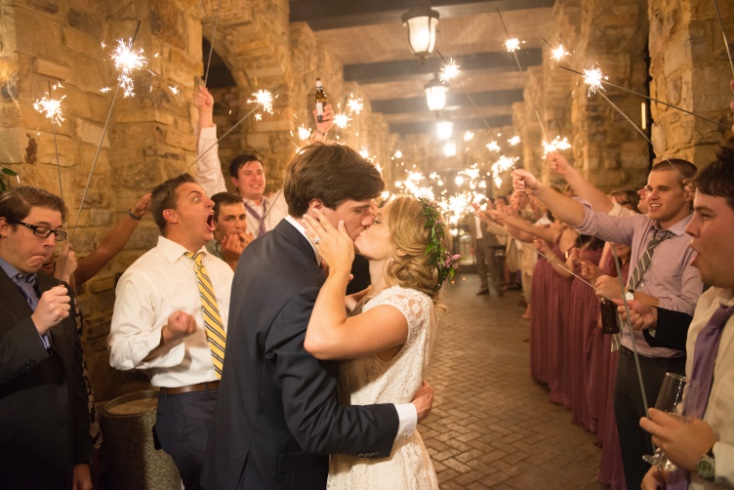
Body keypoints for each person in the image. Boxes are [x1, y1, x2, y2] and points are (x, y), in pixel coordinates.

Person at [202, 143, 434, 490]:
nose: (368, 217)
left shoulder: (263, 250)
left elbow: (274, 337)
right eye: (360, 208)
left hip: (239, 454)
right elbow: (316, 426)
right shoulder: (302, 292)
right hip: (275, 473)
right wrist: (408, 415)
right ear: (318, 208)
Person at [513, 158, 703, 489]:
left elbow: (690, 307)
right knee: (631, 451)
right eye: (649, 188)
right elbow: (587, 218)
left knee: (663, 463)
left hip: (666, 365)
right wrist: (540, 189)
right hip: (628, 356)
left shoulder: (693, 239)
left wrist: (627, 292)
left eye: (663, 188)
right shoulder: (643, 225)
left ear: (688, 193)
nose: (652, 196)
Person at [300, 195, 458, 488]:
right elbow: (314, 316)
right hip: (356, 453)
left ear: (400, 247)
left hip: (383, 468)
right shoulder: (377, 297)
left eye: (380, 219)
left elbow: (322, 339)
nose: (368, 220)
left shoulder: (407, 303)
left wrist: (338, 268)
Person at [618, 139, 734, 489]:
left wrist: (708, 460)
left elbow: (710, 453)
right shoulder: (711, 305)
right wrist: (668, 462)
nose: (692, 230)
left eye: (706, 215)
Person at [108, 174, 234, 489]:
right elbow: (120, 353)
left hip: (238, 394)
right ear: (171, 215)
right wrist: (165, 336)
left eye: (207, 197)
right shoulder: (143, 276)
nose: (210, 203)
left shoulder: (219, 268)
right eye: (196, 198)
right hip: (189, 406)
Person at [0, 186, 92, 489]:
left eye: (57, 233)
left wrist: (81, 457)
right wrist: (35, 326)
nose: (51, 242)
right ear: (4, 226)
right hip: (12, 462)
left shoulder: (53, 286)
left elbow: (73, 377)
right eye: (40, 230)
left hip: (62, 460)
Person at [195, 86, 333, 236]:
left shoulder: (278, 202)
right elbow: (208, 167)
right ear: (235, 181)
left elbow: (303, 172)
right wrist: (205, 113)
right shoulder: (228, 206)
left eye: (259, 172)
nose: (256, 178)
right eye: (248, 173)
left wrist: (320, 131)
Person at [205, 191, 253, 270]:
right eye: (229, 219)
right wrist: (233, 262)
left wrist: (256, 257)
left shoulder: (253, 248)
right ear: (213, 223)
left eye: (242, 217)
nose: (239, 225)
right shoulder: (204, 251)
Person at [470, 200, 503, 296]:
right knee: (480, 265)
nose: (474, 204)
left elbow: (492, 223)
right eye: (472, 203)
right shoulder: (471, 215)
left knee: (491, 264)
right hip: (477, 242)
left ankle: (497, 287)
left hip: (487, 241)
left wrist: (482, 214)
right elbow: (472, 231)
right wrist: (472, 245)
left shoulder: (485, 212)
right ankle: (484, 287)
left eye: (475, 202)